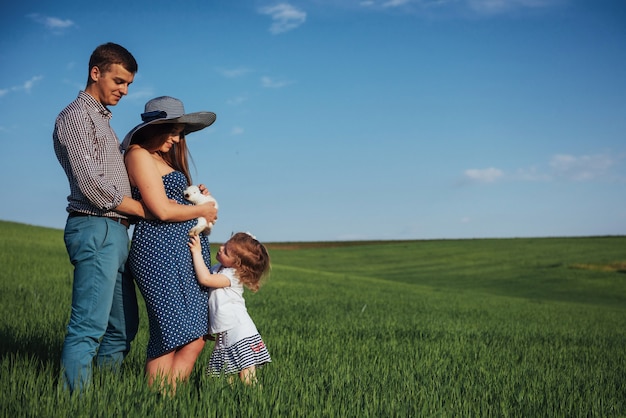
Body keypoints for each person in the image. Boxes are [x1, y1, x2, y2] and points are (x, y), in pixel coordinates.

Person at [53, 42, 148, 393]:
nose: (123, 90)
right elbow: (92, 186)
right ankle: (75, 403)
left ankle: (107, 398)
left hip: (116, 231)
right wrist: (147, 210)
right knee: (89, 327)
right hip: (95, 226)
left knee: (122, 327)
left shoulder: (103, 122)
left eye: (128, 85)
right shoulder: (77, 116)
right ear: (96, 73)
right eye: (119, 81)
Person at [122, 96, 218, 391]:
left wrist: (197, 195)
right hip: (159, 252)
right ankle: (155, 401)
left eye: (180, 133)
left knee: (196, 337)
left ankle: (166, 399)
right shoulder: (138, 154)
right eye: (173, 131)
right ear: (155, 128)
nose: (177, 139)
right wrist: (201, 210)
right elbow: (161, 210)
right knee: (171, 334)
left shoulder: (163, 160)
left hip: (185, 252)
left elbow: (174, 201)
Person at [187, 232, 271, 385]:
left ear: (237, 264)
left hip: (238, 332)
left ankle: (256, 402)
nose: (221, 248)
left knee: (247, 377)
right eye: (225, 244)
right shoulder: (219, 268)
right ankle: (238, 403)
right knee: (227, 377)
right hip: (227, 333)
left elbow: (205, 279)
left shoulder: (232, 275)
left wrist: (196, 252)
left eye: (226, 251)